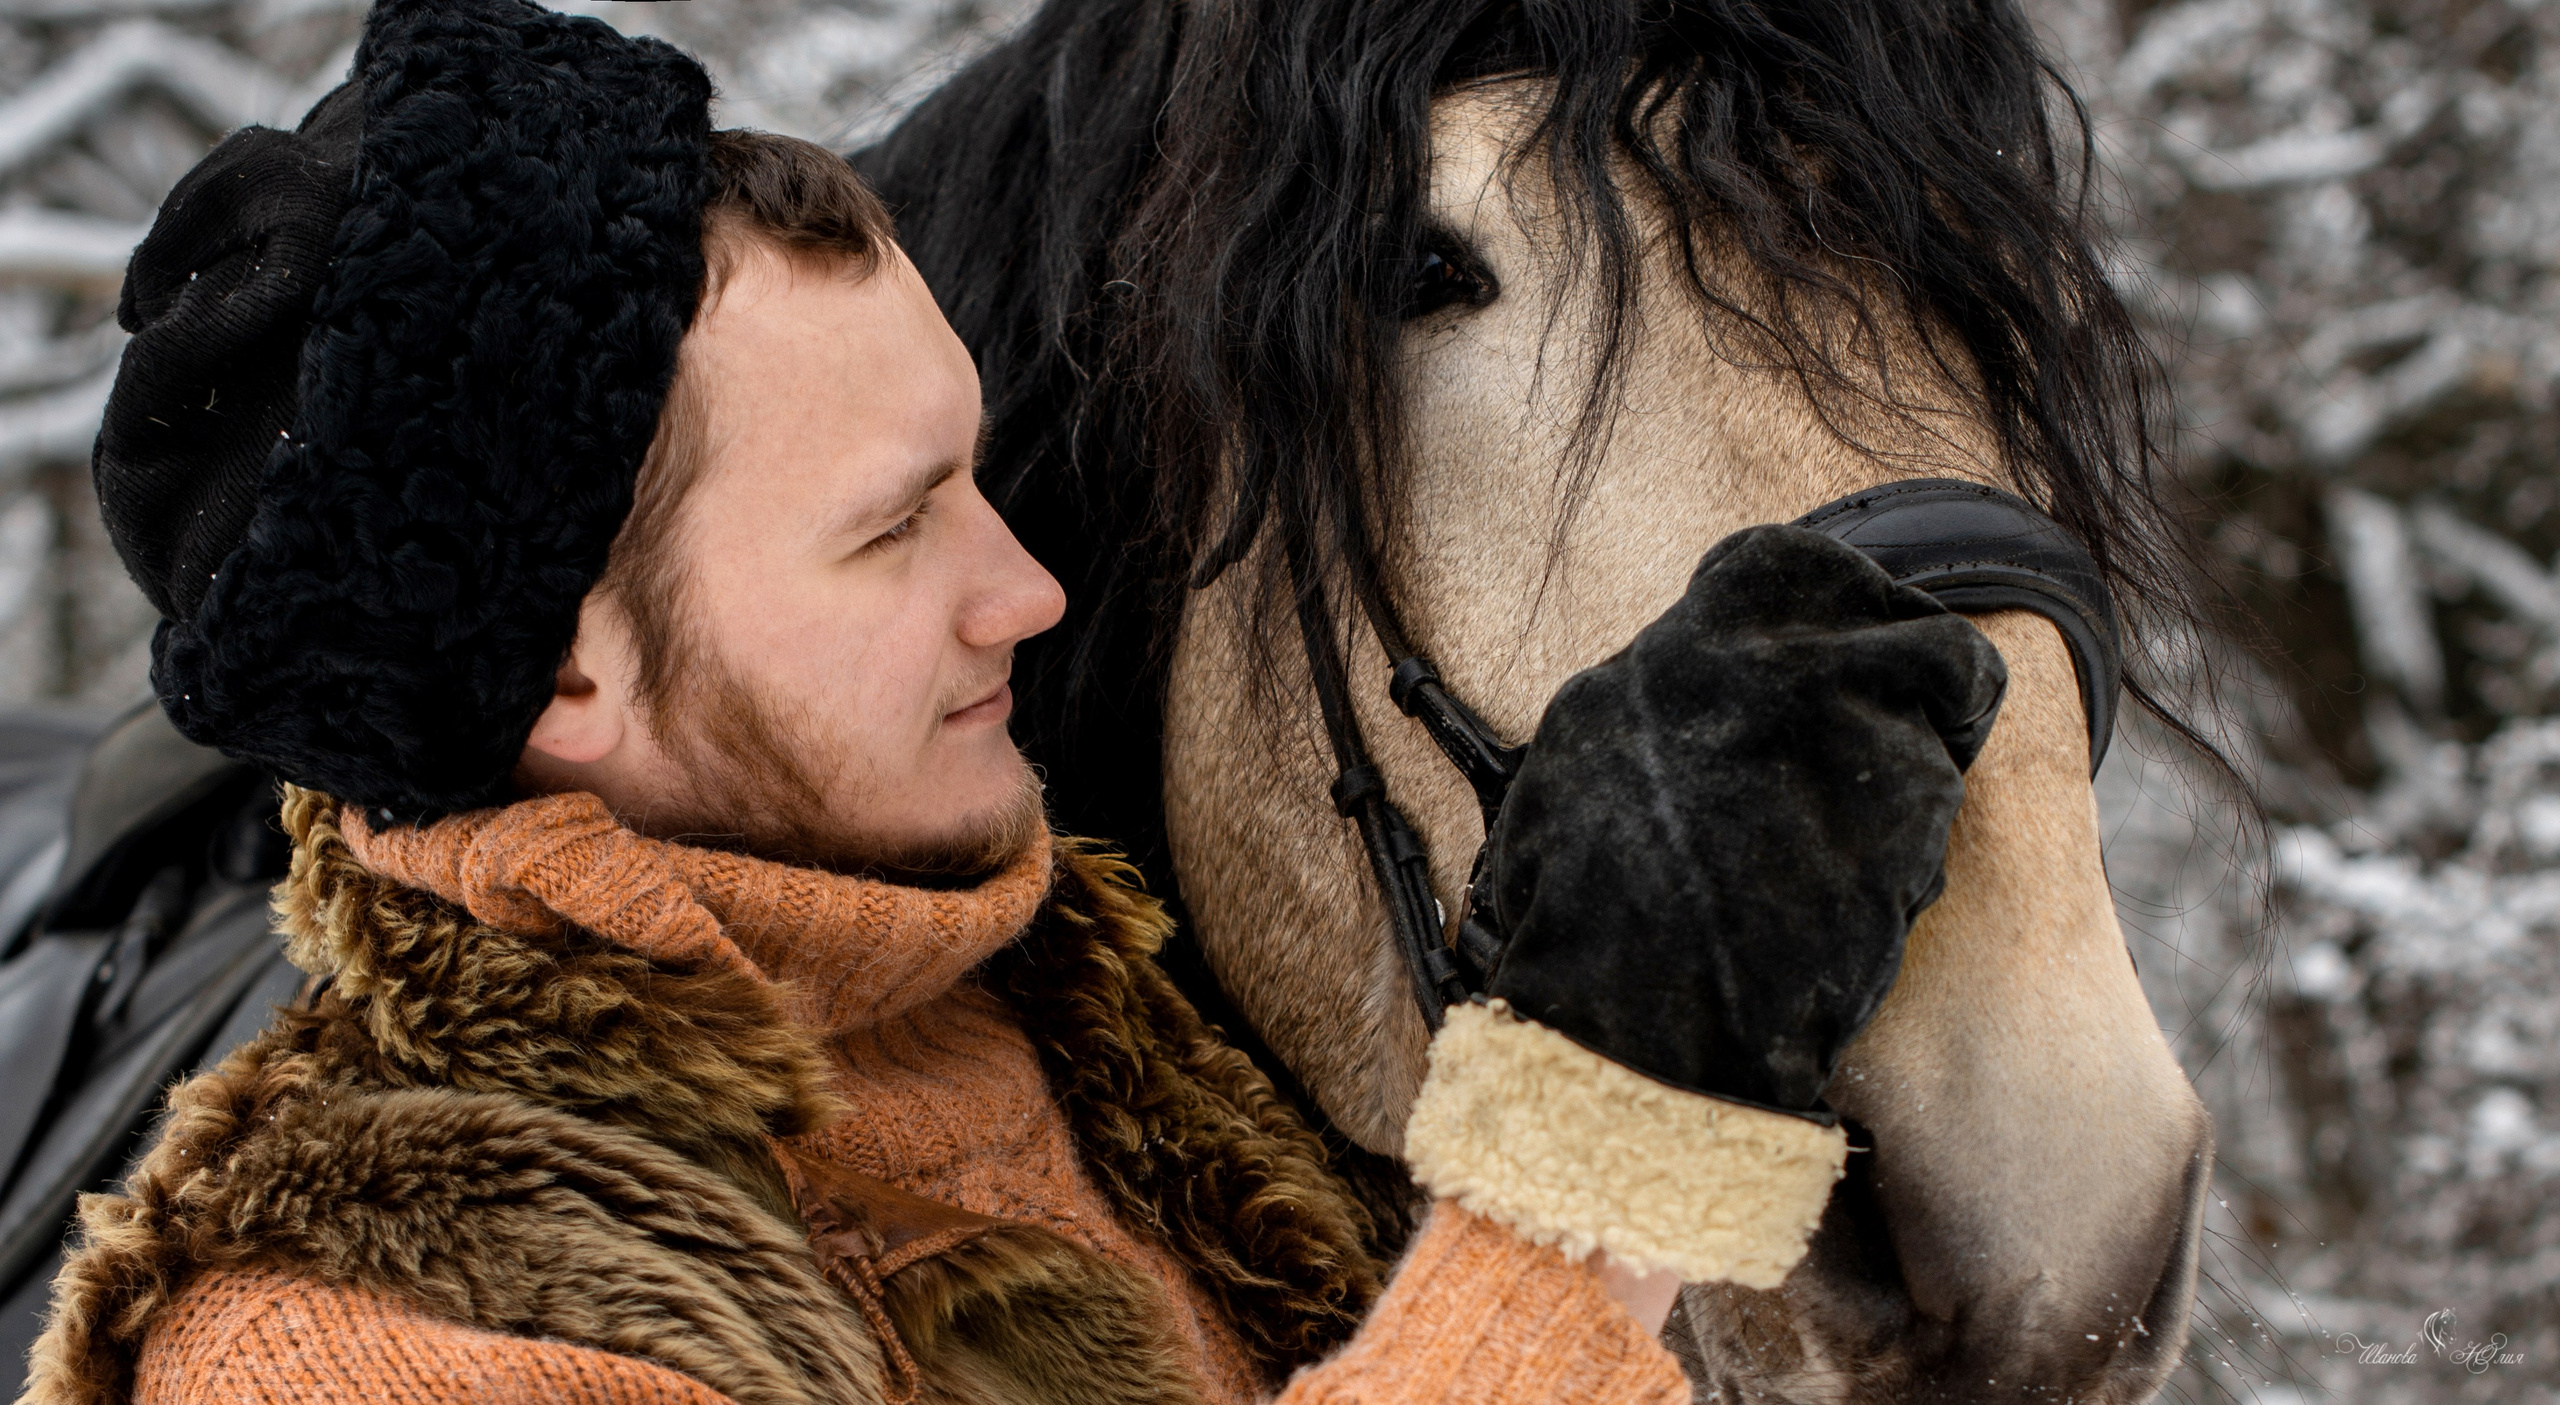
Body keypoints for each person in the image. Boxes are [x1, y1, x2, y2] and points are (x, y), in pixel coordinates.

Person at [27, 0, 2005, 1401]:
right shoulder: (362, 1340)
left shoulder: (1092, 1040)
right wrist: (1577, 1183)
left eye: (972, 475)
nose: (1027, 593)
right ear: (563, 666)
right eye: (892, 531)